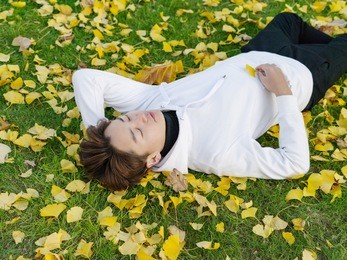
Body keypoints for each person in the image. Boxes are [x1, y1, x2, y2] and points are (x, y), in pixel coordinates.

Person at [72, 13, 347, 191]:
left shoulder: (149, 102)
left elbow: (86, 79)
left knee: (288, 21)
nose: (140, 117)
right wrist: (284, 93)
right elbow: (295, 164)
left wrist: (95, 129)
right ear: (153, 159)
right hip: (304, 75)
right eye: (138, 132)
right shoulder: (214, 154)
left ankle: (326, 46)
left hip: (260, 53)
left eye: (125, 118)